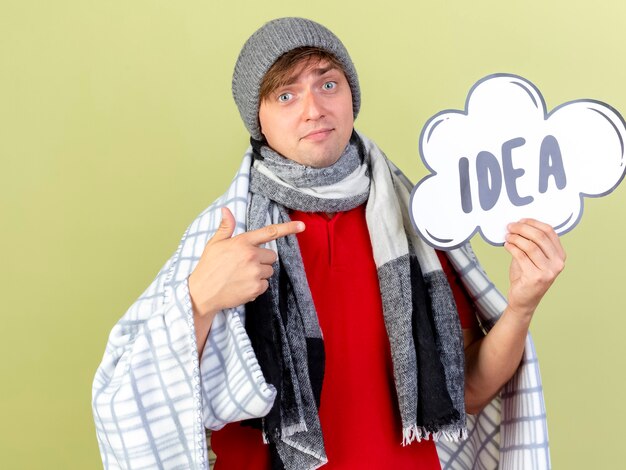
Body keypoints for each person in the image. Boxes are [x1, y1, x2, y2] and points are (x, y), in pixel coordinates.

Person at [92, 17, 565, 470]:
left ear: (351, 96)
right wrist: (198, 301)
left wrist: (522, 305)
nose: (313, 109)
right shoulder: (226, 234)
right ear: (257, 120)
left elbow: (463, 391)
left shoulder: (413, 224)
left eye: (328, 83)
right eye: (285, 94)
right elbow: (128, 397)